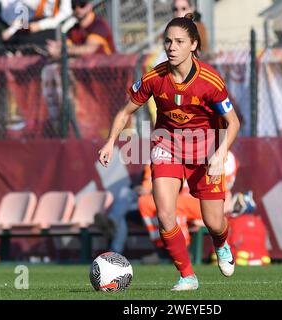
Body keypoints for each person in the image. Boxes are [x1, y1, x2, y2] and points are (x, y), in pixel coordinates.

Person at [98, 14, 240, 291]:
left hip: (205, 150)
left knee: (213, 222)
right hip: (167, 147)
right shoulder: (154, 77)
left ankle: (222, 244)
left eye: (179, 42)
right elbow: (125, 111)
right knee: (164, 214)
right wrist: (109, 141)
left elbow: (233, 122)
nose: (171, 47)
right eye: (167, 41)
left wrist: (221, 152)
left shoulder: (210, 81)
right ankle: (187, 276)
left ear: (193, 45)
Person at [138, 150, 239, 263]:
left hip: (204, 200)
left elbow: (225, 191)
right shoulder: (167, 146)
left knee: (175, 204)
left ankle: (182, 250)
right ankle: (162, 248)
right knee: (145, 202)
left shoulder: (226, 155)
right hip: (178, 197)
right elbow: (149, 183)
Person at [47, 0, 116, 59]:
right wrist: (57, 46)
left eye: (82, 5)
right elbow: (68, 46)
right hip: (85, 71)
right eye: (74, 7)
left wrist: (62, 50)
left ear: (89, 6)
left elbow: (88, 50)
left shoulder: (99, 24)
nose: (78, 10)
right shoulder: (73, 30)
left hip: (107, 71)